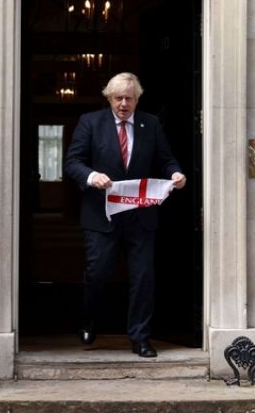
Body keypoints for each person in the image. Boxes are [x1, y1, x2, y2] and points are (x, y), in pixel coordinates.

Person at [64, 72, 186, 358]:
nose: (123, 104)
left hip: (139, 216)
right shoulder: (90, 123)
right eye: (118, 98)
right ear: (108, 98)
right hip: (101, 216)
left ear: (137, 99)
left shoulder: (150, 124)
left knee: (143, 278)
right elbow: (73, 162)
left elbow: (165, 159)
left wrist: (175, 173)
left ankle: (140, 338)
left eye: (129, 98)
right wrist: (92, 176)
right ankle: (89, 318)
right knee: (98, 273)